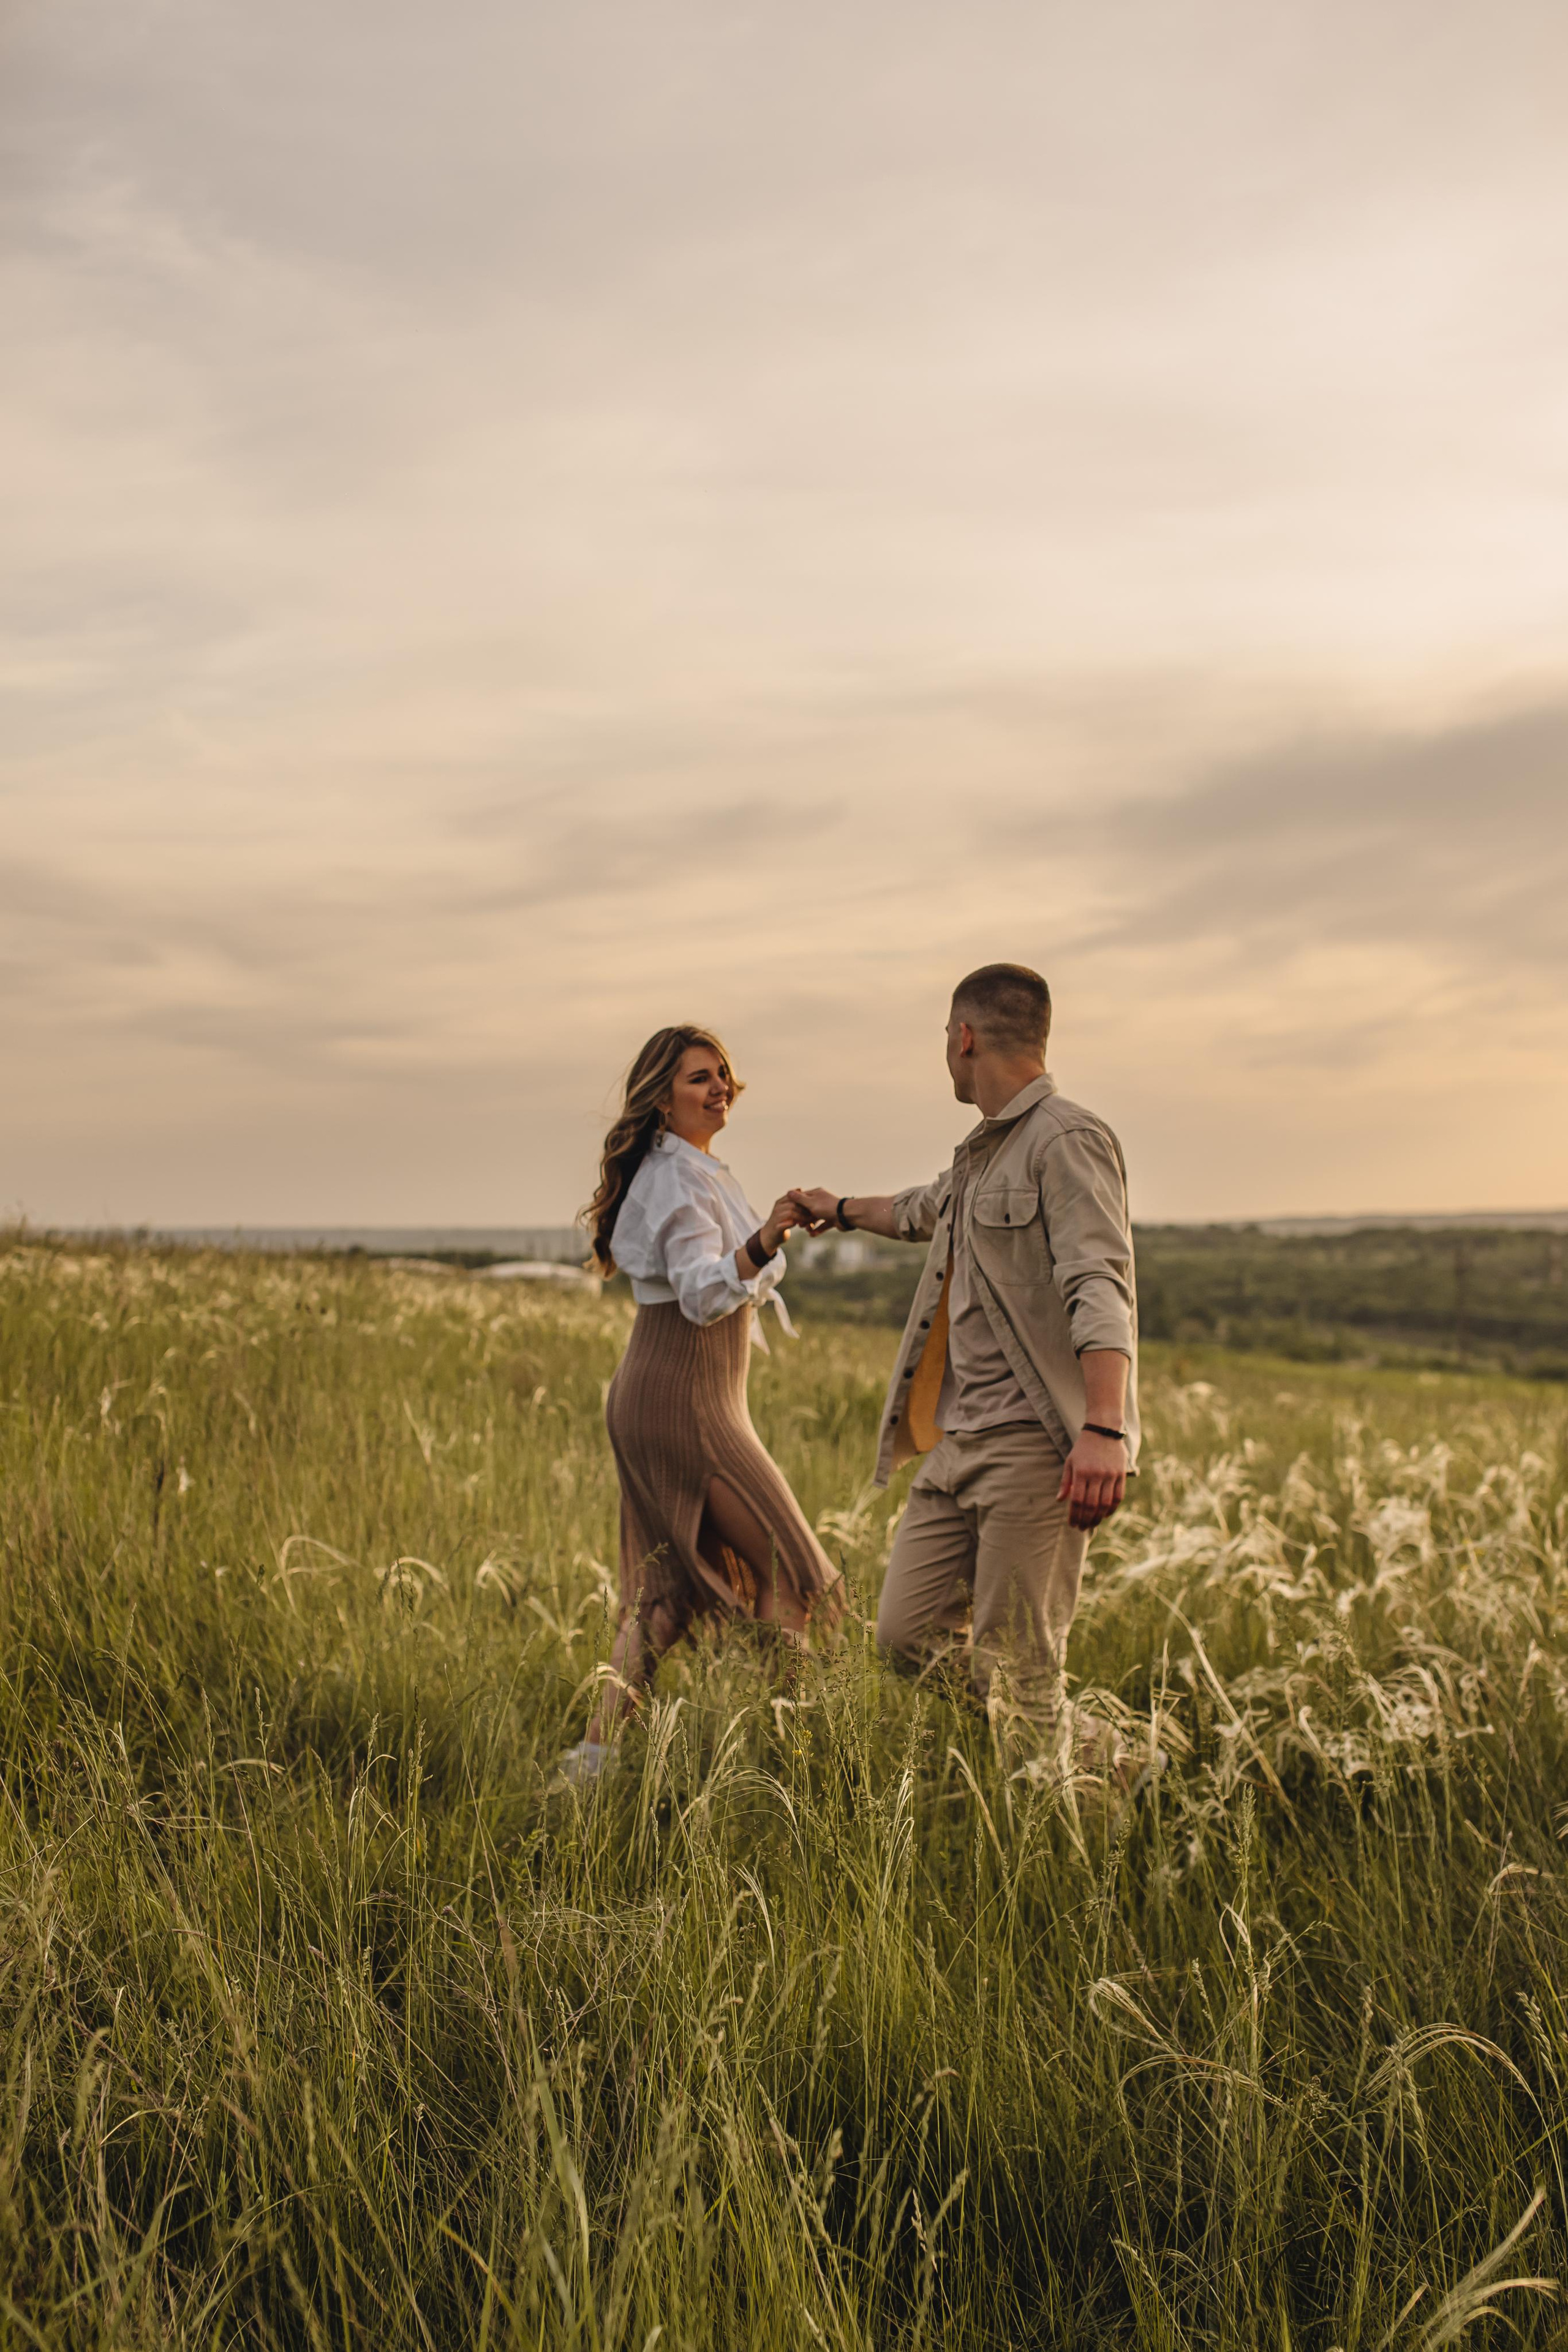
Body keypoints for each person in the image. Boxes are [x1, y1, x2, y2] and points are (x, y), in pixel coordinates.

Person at [790, 962, 1137, 1741]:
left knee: (1018, 1674)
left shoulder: (1066, 1140)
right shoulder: (981, 1154)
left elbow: (1099, 1284)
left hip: (1032, 1448)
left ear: (964, 1036)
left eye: (946, 1037)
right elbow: (918, 1210)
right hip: (958, 1442)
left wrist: (1103, 1429)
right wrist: (835, 1209)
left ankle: (1068, 1782)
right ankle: (1101, 1753)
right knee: (903, 1637)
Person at [557, 1025, 843, 1785]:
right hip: (685, 1398)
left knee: (663, 1598)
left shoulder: (686, 1169)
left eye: (721, 1073)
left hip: (669, 1393)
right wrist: (768, 1236)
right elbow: (698, 1294)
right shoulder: (677, 1180)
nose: (718, 1087)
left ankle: (590, 1767)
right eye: (697, 1078)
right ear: (661, 1098)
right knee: (791, 1577)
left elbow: (717, 1274)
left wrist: (769, 1230)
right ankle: (804, 1769)